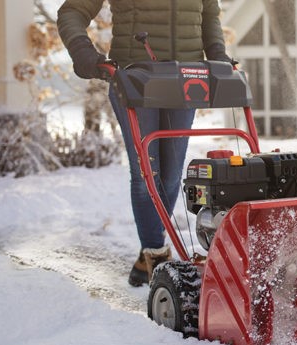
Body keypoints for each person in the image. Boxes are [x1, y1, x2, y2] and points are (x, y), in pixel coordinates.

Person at [57, 0, 233, 286]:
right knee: (146, 173)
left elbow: (209, 12)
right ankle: (156, 255)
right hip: (135, 77)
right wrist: (83, 52)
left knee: (172, 174)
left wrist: (217, 55)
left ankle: (148, 253)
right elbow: (71, 11)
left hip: (186, 78)